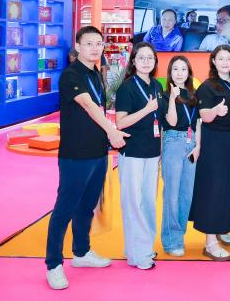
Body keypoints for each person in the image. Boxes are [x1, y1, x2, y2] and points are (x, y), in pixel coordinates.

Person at [45, 26, 129, 290]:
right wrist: (112, 130)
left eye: (98, 44)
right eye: (89, 43)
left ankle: (81, 252)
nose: (94, 48)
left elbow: (100, 108)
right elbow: (89, 105)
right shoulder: (71, 74)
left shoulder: (95, 73)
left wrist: (108, 137)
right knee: (65, 208)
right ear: (78, 47)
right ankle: (53, 265)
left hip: (98, 152)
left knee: (87, 206)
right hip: (75, 154)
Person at [189, 45, 230, 260]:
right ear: (213, 61)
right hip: (215, 142)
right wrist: (216, 110)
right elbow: (204, 116)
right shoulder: (207, 86)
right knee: (214, 188)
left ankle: (222, 227)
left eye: (228, 58)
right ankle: (210, 242)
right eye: (220, 58)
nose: (225, 62)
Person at [114, 42, 162, 270]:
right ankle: (138, 253)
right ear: (133, 61)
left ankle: (142, 246)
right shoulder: (127, 88)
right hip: (132, 152)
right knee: (133, 202)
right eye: (141, 57)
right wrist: (146, 109)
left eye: (150, 58)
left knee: (149, 202)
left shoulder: (157, 85)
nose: (146, 62)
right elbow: (121, 122)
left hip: (152, 151)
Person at [159, 55, 199, 257]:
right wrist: (173, 99)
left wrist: (198, 146)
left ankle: (179, 236)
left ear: (189, 72)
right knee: (172, 194)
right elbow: (172, 122)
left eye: (183, 69)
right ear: (170, 72)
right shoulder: (165, 95)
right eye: (175, 69)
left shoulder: (193, 96)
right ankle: (171, 241)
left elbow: (198, 122)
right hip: (173, 142)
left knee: (186, 195)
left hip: (191, 144)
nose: (180, 73)